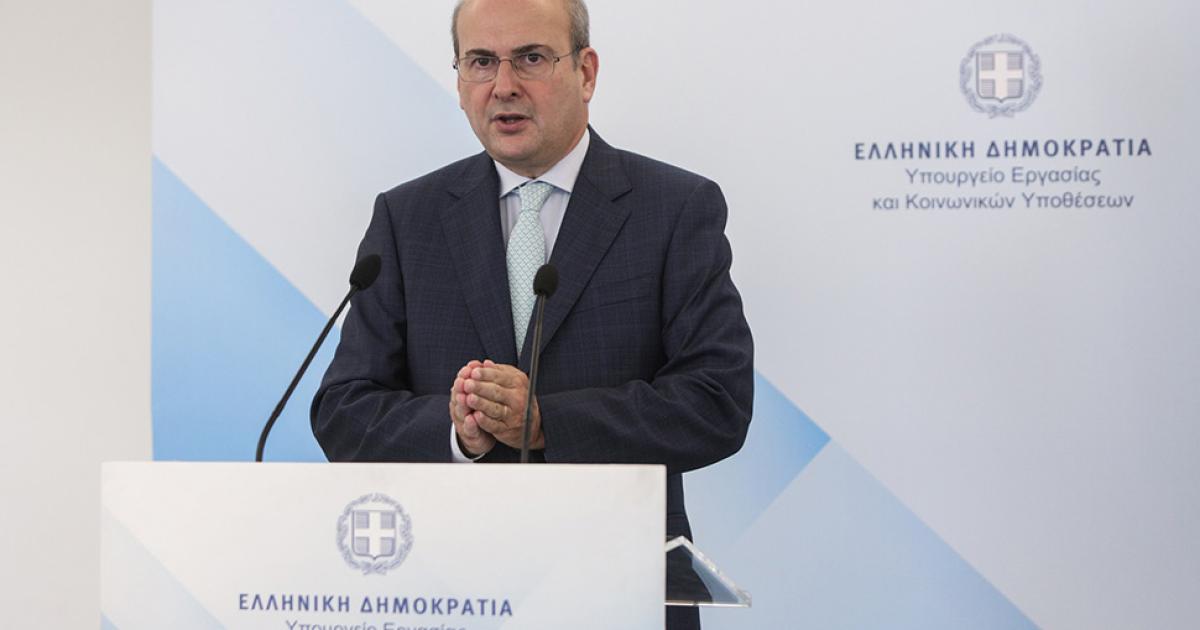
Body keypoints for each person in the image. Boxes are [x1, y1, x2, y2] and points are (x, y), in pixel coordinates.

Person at [312, 0, 753, 627]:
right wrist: (457, 431)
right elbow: (344, 410)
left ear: (586, 72)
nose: (503, 85)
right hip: (446, 591)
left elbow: (717, 402)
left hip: (618, 591)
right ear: (459, 80)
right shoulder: (408, 219)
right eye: (480, 62)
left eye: (530, 58)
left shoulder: (675, 209)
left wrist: (547, 423)